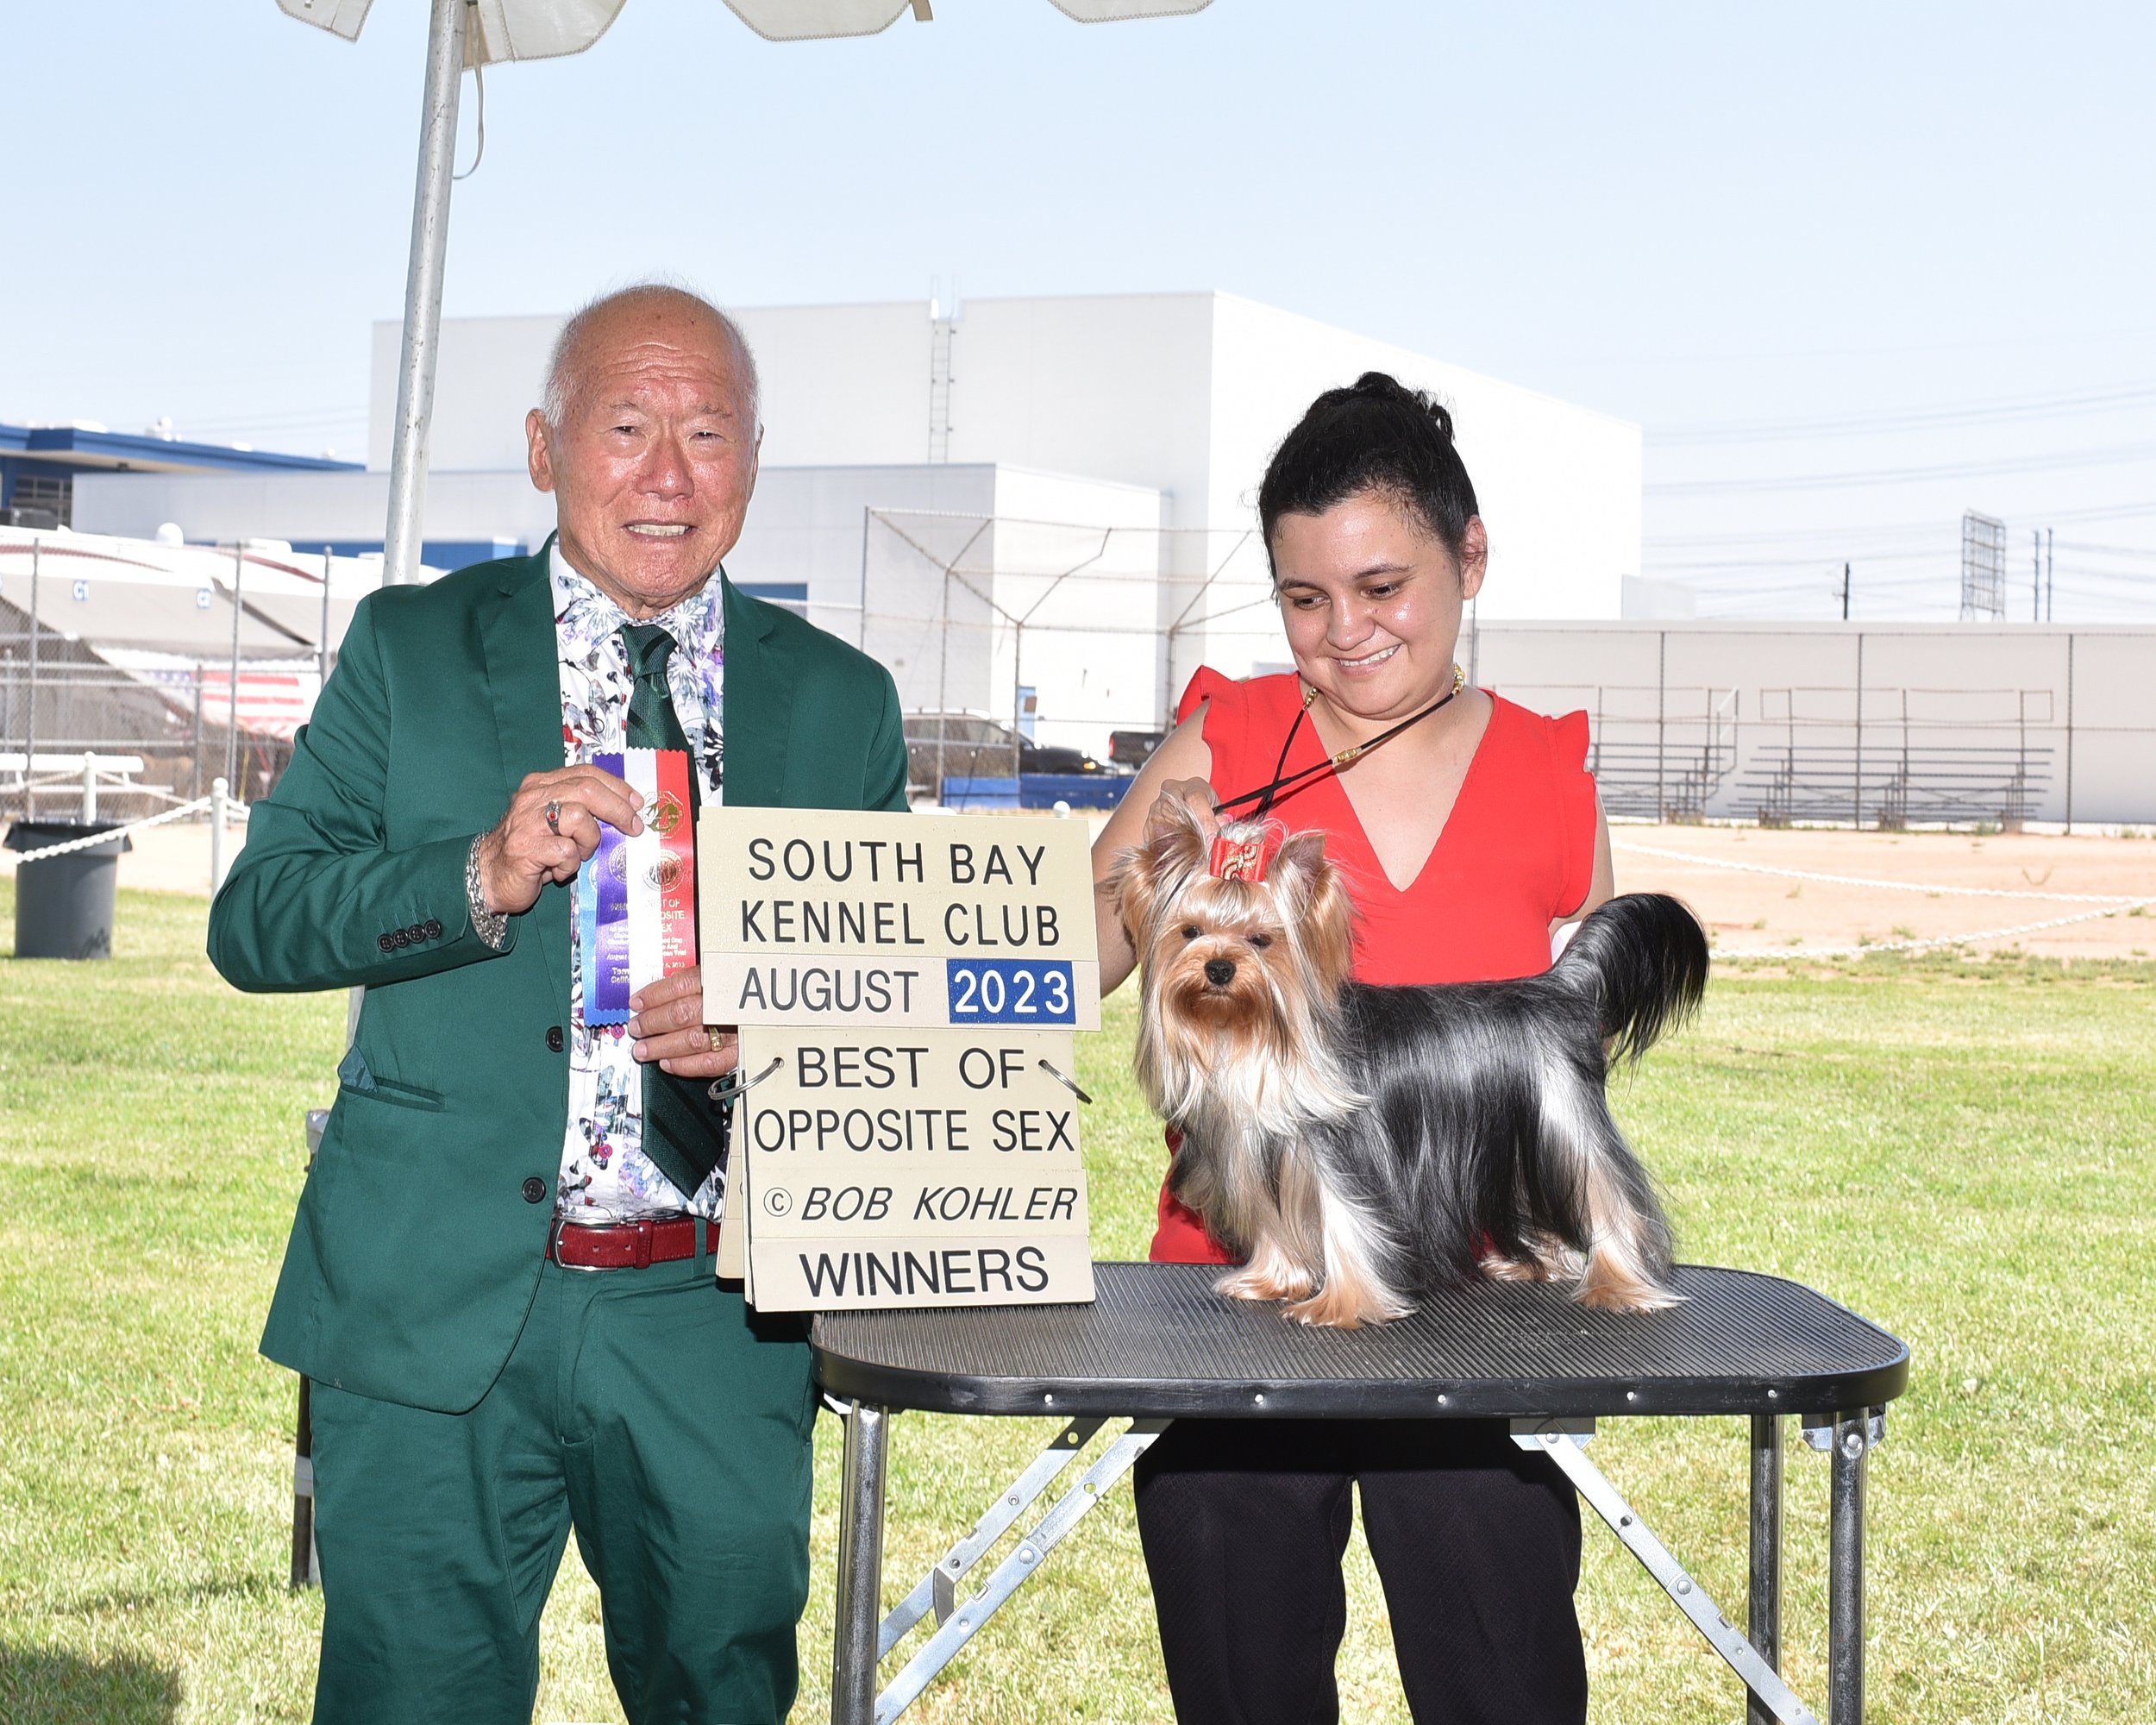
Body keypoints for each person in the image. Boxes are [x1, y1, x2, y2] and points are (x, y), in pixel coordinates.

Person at [209, 284, 909, 1725]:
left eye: (708, 433)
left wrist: (779, 1026)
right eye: (628, 427)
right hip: (435, 1306)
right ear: (543, 448)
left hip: (715, 1315)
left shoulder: (845, 704)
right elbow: (254, 921)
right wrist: (474, 871)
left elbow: (898, 1006)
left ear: (755, 458)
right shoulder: (410, 648)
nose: (669, 475)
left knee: (721, 1695)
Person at [1089, 371, 1614, 1725]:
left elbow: (1567, 1054)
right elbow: (1063, 952)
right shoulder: (1232, 734)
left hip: (1483, 1313)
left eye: (1383, 587)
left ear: (1472, 556)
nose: (1345, 633)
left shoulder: (1553, 770)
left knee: (1505, 1685)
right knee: (1243, 1686)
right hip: (1235, 1296)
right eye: (1304, 599)